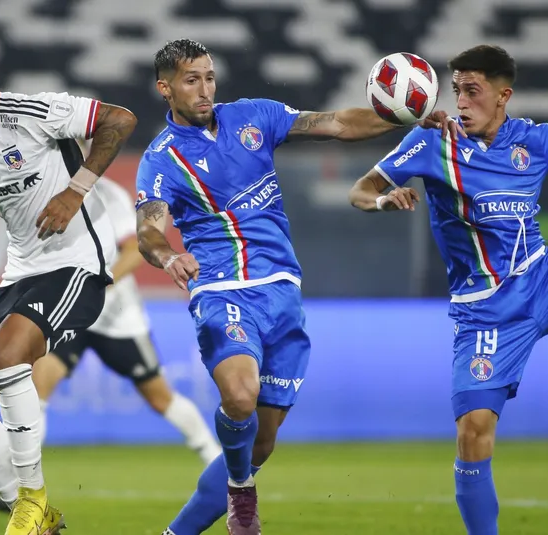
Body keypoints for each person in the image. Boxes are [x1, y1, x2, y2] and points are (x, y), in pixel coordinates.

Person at [135, 39, 462, 535]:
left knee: (261, 442)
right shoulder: (162, 159)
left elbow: (337, 124)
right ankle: (241, 489)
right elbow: (148, 230)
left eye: (209, 77)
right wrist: (169, 256)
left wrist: (407, 119)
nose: (204, 90)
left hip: (283, 291)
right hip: (223, 288)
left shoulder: (253, 115)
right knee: (240, 396)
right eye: (190, 80)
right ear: (165, 88)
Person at [349, 44, 548, 535]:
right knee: (473, 432)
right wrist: (383, 202)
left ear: (503, 96)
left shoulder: (533, 140)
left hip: (547, 279)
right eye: (457, 90)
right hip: (486, 312)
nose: (461, 101)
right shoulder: (432, 142)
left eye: (472, 91)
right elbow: (361, 190)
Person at [0, 35, 136, 534]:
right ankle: (42, 518)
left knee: (7, 354)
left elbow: (120, 119)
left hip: (78, 265)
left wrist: (75, 191)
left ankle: (32, 500)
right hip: (20, 273)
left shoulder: (33, 112)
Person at [0, 174, 223, 513]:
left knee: (159, 396)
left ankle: (216, 461)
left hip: (116, 315)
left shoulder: (109, 195)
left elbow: (134, 252)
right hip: (70, 310)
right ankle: (22, 488)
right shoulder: (46, 190)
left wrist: (99, 286)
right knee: (39, 382)